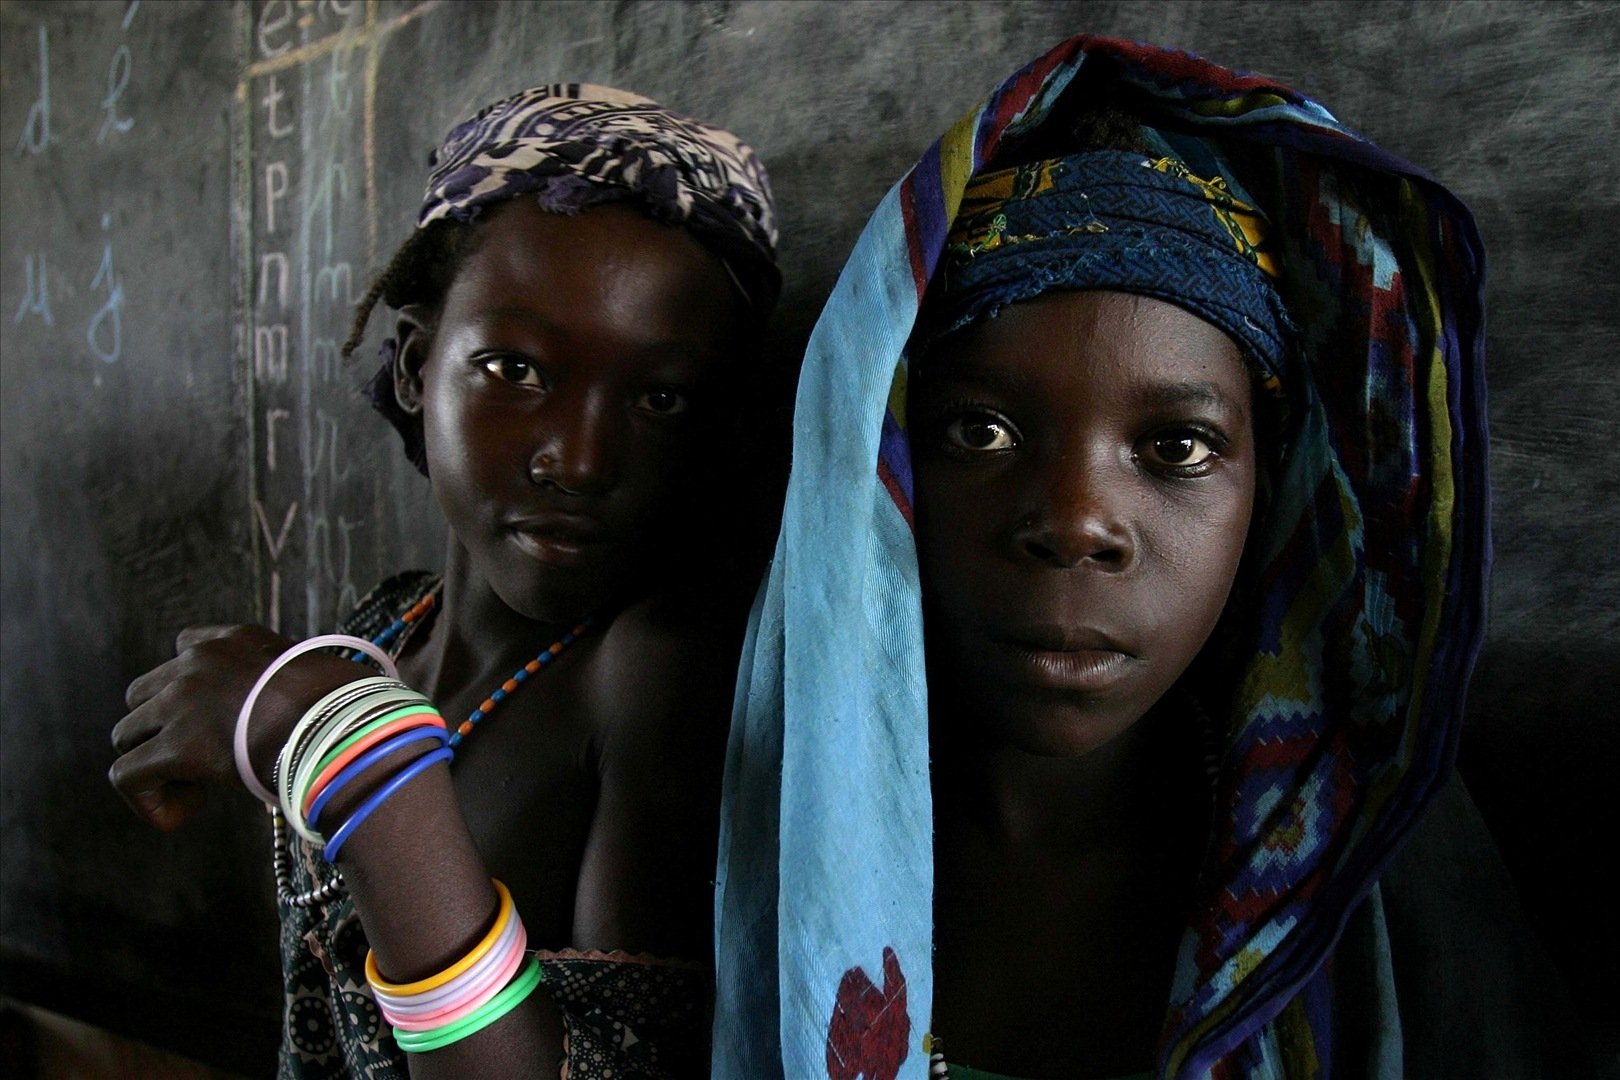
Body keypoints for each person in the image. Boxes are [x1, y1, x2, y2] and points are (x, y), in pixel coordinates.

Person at [713, 37, 1514, 1079]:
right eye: (980, 434)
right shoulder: (757, 824)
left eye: (1177, 448)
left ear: (1266, 494)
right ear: (880, 474)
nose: (1078, 520)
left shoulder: (1379, 859)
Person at [109, 84, 779, 1079]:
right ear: (420, 366)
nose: (582, 459)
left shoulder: (652, 676)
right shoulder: (382, 627)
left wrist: (346, 738)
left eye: (663, 397)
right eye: (515, 370)